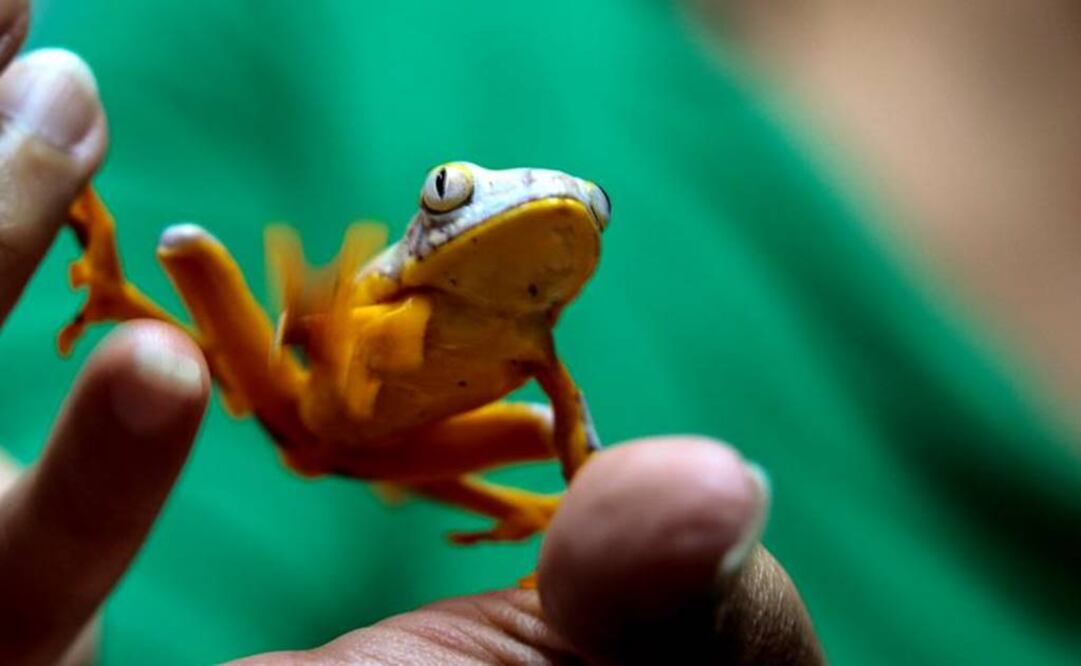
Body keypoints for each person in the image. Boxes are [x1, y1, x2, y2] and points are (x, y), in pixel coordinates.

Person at [1, 0, 1078, 664]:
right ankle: (103, 268)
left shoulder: (541, 345)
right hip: (305, 392)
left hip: (419, 439)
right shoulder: (319, 39)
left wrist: (574, 507)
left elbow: (561, 420)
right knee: (185, 252)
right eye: (452, 191)